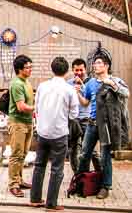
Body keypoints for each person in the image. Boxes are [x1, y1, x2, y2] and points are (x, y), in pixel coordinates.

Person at [76, 54, 129, 199]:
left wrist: (111, 83)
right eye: (94, 63)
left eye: (98, 63)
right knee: (84, 154)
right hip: (92, 124)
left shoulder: (115, 80)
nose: (95, 65)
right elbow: (85, 103)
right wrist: (78, 92)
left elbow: (126, 93)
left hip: (107, 126)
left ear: (106, 66)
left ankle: (105, 187)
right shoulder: (91, 83)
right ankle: (82, 182)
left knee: (105, 157)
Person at [29, 57, 79, 211]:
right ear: (67, 71)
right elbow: (74, 114)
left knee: (39, 165)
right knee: (57, 169)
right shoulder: (69, 89)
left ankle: (35, 199)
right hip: (59, 133)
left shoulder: (42, 86)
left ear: (52, 69)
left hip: (42, 132)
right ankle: (51, 203)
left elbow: (36, 108)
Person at [67, 58, 100, 174]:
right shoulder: (68, 84)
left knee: (92, 150)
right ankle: (78, 175)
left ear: (85, 69)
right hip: (74, 120)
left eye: (81, 70)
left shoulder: (91, 83)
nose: (79, 73)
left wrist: (82, 87)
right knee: (73, 148)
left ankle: (100, 173)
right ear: (72, 70)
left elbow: (90, 101)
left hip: (87, 119)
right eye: (76, 70)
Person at [8, 54, 35, 198]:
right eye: (27, 67)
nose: (30, 69)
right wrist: (36, 108)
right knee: (16, 154)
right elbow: (21, 106)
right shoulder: (17, 84)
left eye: (31, 66)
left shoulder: (27, 82)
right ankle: (13, 184)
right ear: (19, 69)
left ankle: (19, 180)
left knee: (23, 154)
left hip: (27, 122)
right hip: (18, 123)